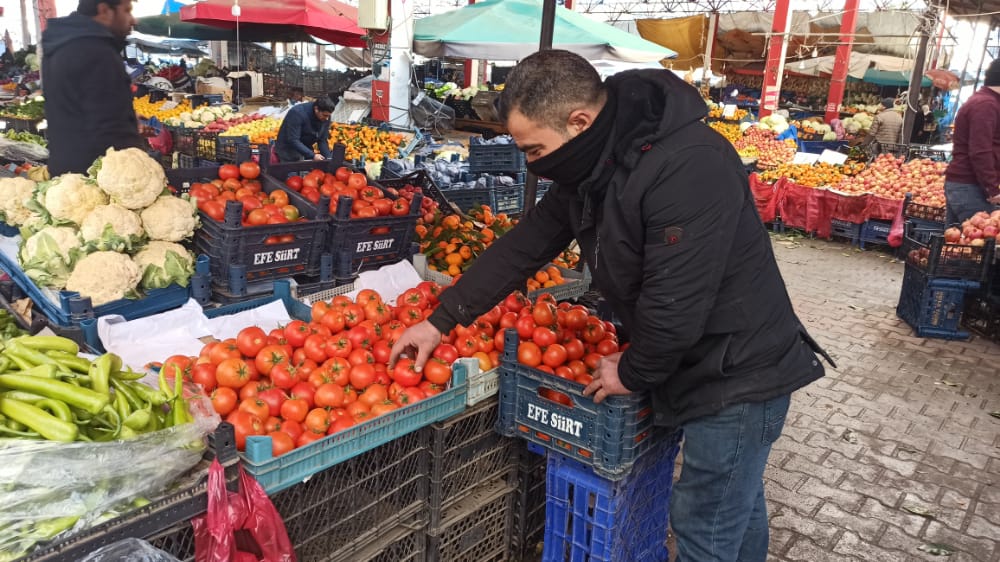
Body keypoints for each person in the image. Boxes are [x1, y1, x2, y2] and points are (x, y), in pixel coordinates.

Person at [389, 50, 830, 562]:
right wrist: (440, 320)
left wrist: (637, 370)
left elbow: (677, 297)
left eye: (534, 150)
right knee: (733, 505)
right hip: (704, 358)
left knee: (704, 523)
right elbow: (525, 245)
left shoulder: (689, 164)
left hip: (737, 370)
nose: (532, 163)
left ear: (579, 122)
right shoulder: (598, 165)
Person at [41, 0, 145, 175]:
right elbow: (111, 130)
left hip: (66, 168)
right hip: (97, 175)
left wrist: (127, 118)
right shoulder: (96, 50)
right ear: (104, 10)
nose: (133, 20)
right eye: (127, 11)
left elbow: (79, 109)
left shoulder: (60, 45)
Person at [944, 58, 1000, 225]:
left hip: (967, 185)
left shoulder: (987, 102)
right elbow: (980, 150)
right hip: (971, 187)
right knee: (982, 245)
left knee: (959, 245)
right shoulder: (986, 105)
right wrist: (992, 188)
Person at [274, 96, 335, 162]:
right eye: (325, 115)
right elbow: (293, 140)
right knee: (293, 170)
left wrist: (328, 158)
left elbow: (322, 140)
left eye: (329, 116)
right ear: (316, 109)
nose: (327, 119)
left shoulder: (326, 115)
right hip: (288, 149)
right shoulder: (297, 113)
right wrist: (312, 155)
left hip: (306, 146)